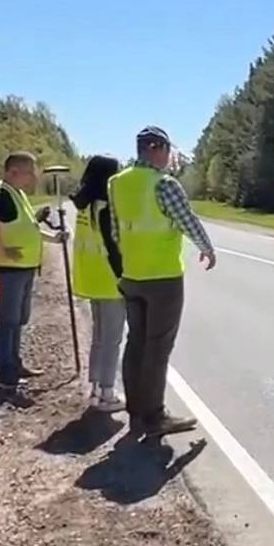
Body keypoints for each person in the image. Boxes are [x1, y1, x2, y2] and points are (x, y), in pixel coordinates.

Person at [108, 126, 216, 439]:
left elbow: (115, 231)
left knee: (136, 343)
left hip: (131, 275)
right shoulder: (164, 183)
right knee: (157, 348)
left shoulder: (116, 182)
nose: (169, 158)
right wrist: (207, 247)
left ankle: (137, 411)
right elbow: (187, 220)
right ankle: (154, 416)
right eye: (167, 150)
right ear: (156, 149)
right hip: (163, 278)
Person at [0, 151, 64, 392]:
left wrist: (55, 237)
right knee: (8, 320)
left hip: (24, 268)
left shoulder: (17, 195)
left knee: (19, 319)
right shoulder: (0, 195)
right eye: (29, 171)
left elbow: (30, 228)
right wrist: (2, 250)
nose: (32, 177)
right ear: (13, 171)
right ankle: (5, 374)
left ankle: (14, 364)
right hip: (9, 269)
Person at [72, 155, 127, 412]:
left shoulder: (84, 206)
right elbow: (112, 248)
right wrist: (123, 277)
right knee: (112, 339)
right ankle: (107, 392)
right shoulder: (105, 208)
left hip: (91, 278)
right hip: (108, 280)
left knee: (98, 337)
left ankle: (94, 389)